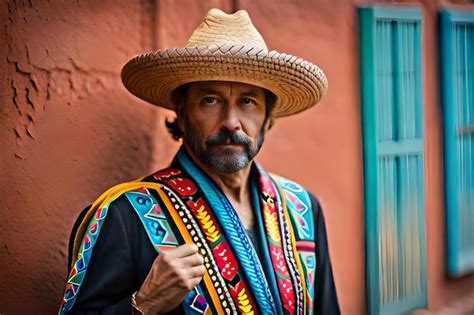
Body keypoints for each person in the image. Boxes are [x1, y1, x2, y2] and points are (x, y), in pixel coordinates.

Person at [59, 8, 340, 315]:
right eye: (211, 100)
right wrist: (144, 303)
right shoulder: (124, 216)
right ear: (181, 112)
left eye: (248, 101)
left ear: (268, 118)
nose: (231, 122)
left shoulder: (301, 209)